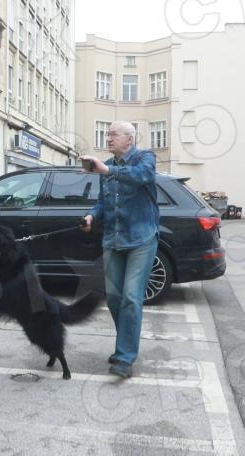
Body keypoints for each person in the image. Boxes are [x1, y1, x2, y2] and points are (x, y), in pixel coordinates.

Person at [79, 121, 159, 378]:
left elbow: (142, 176)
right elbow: (103, 202)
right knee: (114, 298)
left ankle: (125, 357)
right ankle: (125, 344)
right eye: (107, 134)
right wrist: (91, 216)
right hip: (113, 239)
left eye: (114, 134)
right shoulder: (107, 166)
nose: (109, 138)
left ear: (130, 139)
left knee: (131, 297)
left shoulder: (145, 157)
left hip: (141, 239)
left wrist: (107, 170)